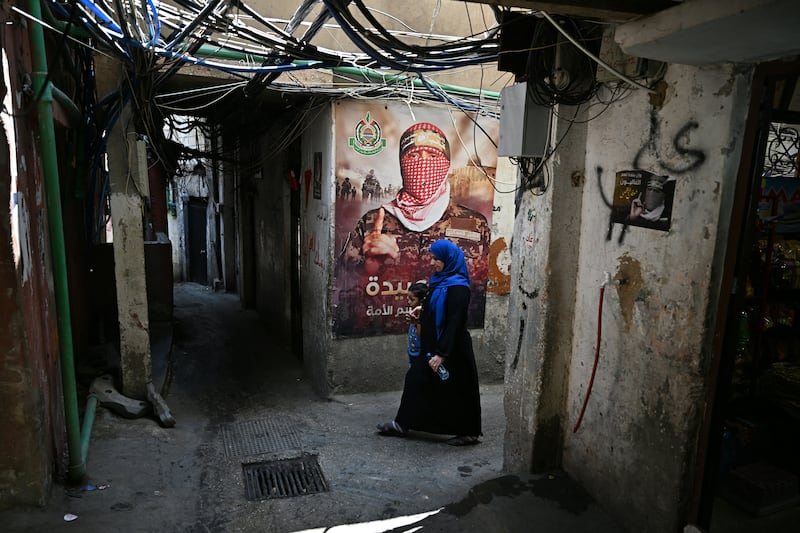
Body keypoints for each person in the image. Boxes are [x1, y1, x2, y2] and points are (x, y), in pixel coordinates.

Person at [334, 122, 490, 337]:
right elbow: (342, 289)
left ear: (446, 165)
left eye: (433, 157)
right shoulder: (372, 223)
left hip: (447, 337)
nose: (423, 165)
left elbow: (481, 290)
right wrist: (367, 267)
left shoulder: (474, 224)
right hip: (386, 336)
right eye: (414, 157)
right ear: (402, 164)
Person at [377, 239, 482, 446]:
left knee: (459, 390)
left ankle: (469, 432)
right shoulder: (439, 281)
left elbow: (454, 322)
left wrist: (442, 354)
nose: (433, 262)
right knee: (416, 381)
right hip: (432, 347)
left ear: (448, 260)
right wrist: (421, 312)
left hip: (451, 351)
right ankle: (402, 423)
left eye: (437, 259)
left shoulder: (458, 288)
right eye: (433, 258)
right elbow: (434, 309)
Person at [406, 281, 428, 367]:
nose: (409, 302)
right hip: (412, 352)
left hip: (422, 354)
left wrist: (416, 323)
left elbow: (421, 334)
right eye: (408, 298)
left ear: (422, 301)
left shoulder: (425, 316)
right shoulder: (412, 313)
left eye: (412, 299)